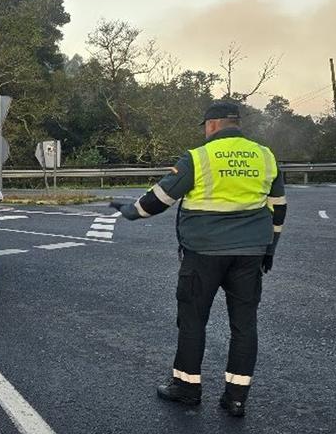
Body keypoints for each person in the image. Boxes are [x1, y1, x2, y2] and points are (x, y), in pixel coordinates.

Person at [111, 101, 287, 418]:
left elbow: (161, 198)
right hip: (250, 254)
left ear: (212, 125)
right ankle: (235, 399)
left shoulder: (199, 157)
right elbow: (278, 206)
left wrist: (129, 211)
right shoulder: (264, 156)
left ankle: (187, 388)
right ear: (236, 123)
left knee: (193, 320)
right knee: (244, 325)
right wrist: (270, 247)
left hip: (203, 254)